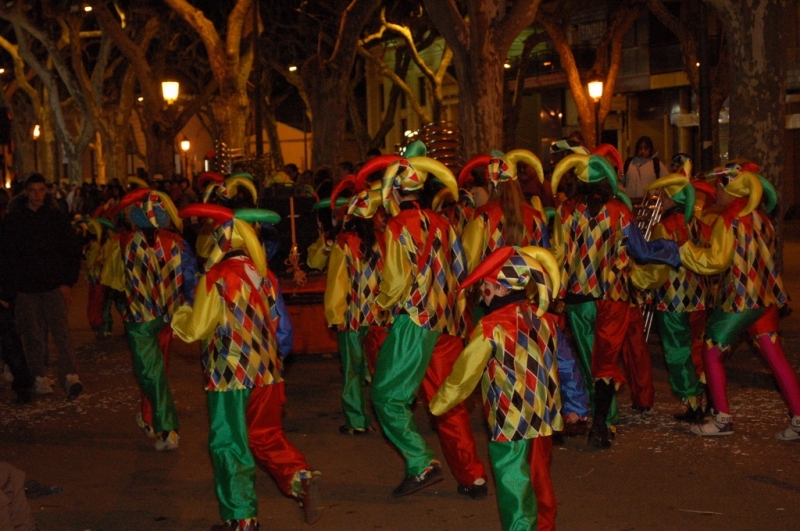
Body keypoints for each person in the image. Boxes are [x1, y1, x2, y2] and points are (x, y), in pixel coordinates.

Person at [171, 204, 321, 530]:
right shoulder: (264, 276)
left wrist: (180, 313)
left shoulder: (216, 278)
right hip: (267, 371)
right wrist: (272, 361)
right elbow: (282, 329)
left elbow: (195, 328)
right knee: (265, 434)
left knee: (228, 442)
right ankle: (297, 475)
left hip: (229, 373)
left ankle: (241, 518)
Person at [550, 154, 680, 448]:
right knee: (605, 362)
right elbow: (642, 251)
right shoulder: (620, 211)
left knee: (587, 360)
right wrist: (671, 250)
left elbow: (558, 257)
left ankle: (603, 419)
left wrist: (551, 293)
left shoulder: (565, 212)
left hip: (578, 298)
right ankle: (601, 426)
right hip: (614, 297)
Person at [430, 246, 564, 531]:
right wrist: (576, 404)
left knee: (513, 483)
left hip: (510, 419)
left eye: (486, 287)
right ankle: (544, 525)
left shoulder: (490, 326)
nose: (482, 293)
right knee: (539, 477)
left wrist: (439, 403)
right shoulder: (545, 319)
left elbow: (464, 375)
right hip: (544, 416)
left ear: (502, 290)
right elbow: (566, 363)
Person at [679, 163, 800, 440]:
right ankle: (799, 418)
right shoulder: (761, 216)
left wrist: (685, 251)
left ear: (730, 188)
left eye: (719, 186)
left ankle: (722, 419)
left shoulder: (730, 218)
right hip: (766, 298)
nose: (715, 192)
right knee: (775, 357)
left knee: (710, 347)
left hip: (741, 300)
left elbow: (715, 261)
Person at [371, 144, 466, 497]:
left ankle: (420, 461)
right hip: (442, 321)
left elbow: (395, 282)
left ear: (397, 190)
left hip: (414, 320)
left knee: (384, 396)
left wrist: (381, 304)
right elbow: (461, 269)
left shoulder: (398, 225)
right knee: (432, 395)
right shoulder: (444, 222)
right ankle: (463, 473)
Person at [101, 188, 198, 450]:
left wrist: (125, 305)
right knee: (156, 372)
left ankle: (168, 429)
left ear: (135, 217)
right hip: (169, 317)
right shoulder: (179, 243)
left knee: (150, 373)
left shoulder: (122, 243)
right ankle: (148, 419)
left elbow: (113, 283)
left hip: (141, 319)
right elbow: (191, 282)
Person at [0, 173, 83, 399]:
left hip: (53, 285)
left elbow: (71, 251)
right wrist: (7, 290)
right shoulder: (14, 220)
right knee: (32, 335)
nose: (37, 195)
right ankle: (39, 376)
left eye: (41, 190)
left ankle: (69, 374)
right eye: (33, 190)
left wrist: (67, 282)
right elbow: (6, 256)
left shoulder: (56, 218)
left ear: (46, 192)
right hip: (26, 288)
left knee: (61, 332)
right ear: (26, 192)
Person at [324, 189, 389, 435]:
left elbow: (337, 283)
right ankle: (387, 417)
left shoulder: (345, 243)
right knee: (380, 367)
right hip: (380, 316)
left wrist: (334, 314)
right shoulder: (384, 239)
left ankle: (357, 421)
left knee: (353, 369)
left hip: (352, 317)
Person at [622, 136, 667, 201]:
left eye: (645, 148)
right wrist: (624, 192)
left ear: (650, 149)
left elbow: (666, 182)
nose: (642, 151)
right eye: (640, 148)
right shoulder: (628, 164)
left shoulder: (656, 164)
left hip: (649, 202)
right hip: (630, 202)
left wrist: (657, 193)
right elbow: (619, 181)